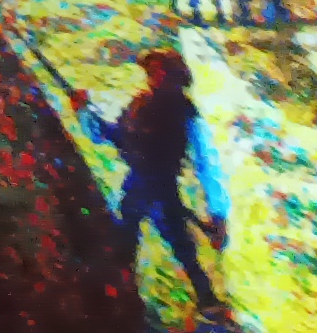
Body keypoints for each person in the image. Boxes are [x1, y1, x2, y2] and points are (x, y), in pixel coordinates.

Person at [81, 47, 230, 316]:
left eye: (159, 70)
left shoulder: (184, 111)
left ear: (175, 75)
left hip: (164, 188)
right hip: (136, 186)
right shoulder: (139, 105)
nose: (153, 76)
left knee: (182, 247)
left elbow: (205, 159)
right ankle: (123, 301)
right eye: (151, 71)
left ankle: (208, 301)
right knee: (125, 245)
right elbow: (113, 135)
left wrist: (217, 211)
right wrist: (84, 111)